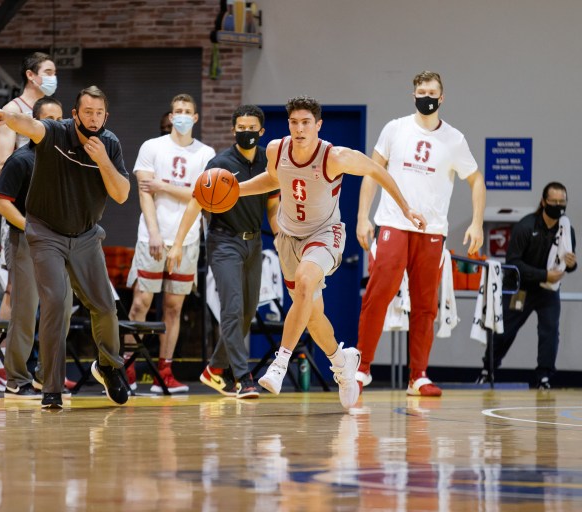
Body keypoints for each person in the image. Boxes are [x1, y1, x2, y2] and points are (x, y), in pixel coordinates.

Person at [234, 95, 427, 409]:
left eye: (306, 122)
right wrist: (237, 188)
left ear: (318, 125)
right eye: (294, 122)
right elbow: (273, 178)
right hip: (287, 238)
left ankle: (279, 363)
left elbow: (377, 171)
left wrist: (405, 208)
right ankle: (342, 363)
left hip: (325, 234)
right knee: (312, 316)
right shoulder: (275, 150)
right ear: (288, 125)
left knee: (307, 282)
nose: (299, 128)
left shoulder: (335, 157)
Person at [0, 85, 131, 410]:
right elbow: (29, 124)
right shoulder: (55, 132)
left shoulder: (109, 144)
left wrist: (104, 161)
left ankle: (109, 367)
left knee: (106, 306)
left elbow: (122, 194)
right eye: (87, 112)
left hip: (85, 235)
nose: (93, 119)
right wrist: (5, 115)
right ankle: (50, 387)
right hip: (46, 232)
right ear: (75, 114)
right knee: (55, 303)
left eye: (99, 113)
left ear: (105, 116)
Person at [355, 71, 486, 397]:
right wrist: (362, 217)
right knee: (378, 295)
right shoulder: (395, 128)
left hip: (432, 231)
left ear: (441, 98)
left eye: (431, 92)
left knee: (426, 305)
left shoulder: (454, 139)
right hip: (394, 224)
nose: (426, 96)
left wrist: (477, 223)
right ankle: (361, 368)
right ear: (413, 95)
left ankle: (418, 376)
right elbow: (371, 172)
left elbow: (476, 180)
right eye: (420, 91)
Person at [166, 104, 279, 399]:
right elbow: (195, 202)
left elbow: (272, 203)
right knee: (231, 308)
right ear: (233, 130)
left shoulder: (269, 160)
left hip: (254, 242)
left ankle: (214, 368)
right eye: (241, 127)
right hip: (224, 241)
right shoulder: (219, 163)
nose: (246, 132)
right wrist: (178, 243)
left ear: (261, 131)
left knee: (248, 311)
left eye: (251, 128)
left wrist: (281, 235)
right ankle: (242, 376)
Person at [125, 93, 216, 394]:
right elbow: (143, 193)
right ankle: (125, 368)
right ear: (170, 115)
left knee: (174, 307)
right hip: (151, 236)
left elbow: (202, 197)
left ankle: (164, 370)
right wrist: (153, 233)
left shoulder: (205, 153)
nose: (181, 115)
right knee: (141, 303)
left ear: (195, 117)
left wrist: (165, 185)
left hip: (187, 240)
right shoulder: (152, 147)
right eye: (177, 110)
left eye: (187, 111)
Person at [0, 52, 58, 391]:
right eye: (48, 72)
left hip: (51, 216)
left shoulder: (53, 114)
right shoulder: (13, 111)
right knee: (15, 291)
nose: (52, 77)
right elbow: (3, 161)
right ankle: (7, 365)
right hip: (21, 209)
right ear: (31, 75)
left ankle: (46, 366)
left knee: (50, 296)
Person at [477, 182, 576, 389]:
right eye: (554, 202)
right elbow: (513, 263)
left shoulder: (567, 230)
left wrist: (572, 265)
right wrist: (544, 274)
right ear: (543, 201)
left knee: (549, 331)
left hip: (548, 290)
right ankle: (488, 370)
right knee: (505, 331)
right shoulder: (526, 226)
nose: (559, 206)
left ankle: (544, 377)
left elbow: (566, 263)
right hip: (520, 287)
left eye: (562, 202)